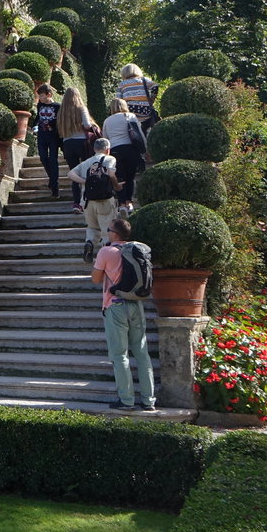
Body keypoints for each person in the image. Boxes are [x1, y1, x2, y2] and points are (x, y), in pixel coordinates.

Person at [91, 219, 156, 412]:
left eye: (109, 230)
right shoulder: (137, 250)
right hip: (136, 304)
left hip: (115, 304)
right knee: (142, 353)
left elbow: (95, 279)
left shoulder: (106, 251)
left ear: (114, 234)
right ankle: (149, 400)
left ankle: (126, 400)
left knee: (120, 355)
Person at [68, 137, 121, 263]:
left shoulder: (87, 162)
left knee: (92, 227)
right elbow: (111, 173)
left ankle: (89, 243)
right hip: (105, 200)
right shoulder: (109, 159)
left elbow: (70, 174)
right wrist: (117, 185)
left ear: (94, 149)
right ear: (108, 150)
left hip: (87, 201)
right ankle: (107, 258)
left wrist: (85, 181)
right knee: (107, 229)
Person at [56, 87, 98, 213]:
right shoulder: (81, 108)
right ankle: (89, 200)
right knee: (87, 171)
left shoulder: (61, 112)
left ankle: (76, 203)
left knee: (74, 174)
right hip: (82, 143)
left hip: (67, 144)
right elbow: (87, 125)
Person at [101, 98, 144, 215]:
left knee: (120, 178)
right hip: (130, 149)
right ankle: (129, 202)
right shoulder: (130, 116)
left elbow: (105, 137)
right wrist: (145, 149)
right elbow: (138, 133)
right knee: (130, 178)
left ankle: (121, 204)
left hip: (115, 151)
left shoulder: (107, 120)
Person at [34, 84, 62, 198]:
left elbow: (59, 122)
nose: (40, 98)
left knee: (53, 159)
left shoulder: (57, 106)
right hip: (42, 135)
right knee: (43, 157)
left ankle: (55, 187)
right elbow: (38, 117)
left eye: (41, 96)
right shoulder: (40, 105)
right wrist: (34, 125)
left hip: (53, 136)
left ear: (49, 94)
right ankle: (52, 179)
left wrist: (50, 124)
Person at [117, 63, 160, 134]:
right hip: (145, 110)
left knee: (134, 132)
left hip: (129, 110)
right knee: (147, 130)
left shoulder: (122, 84)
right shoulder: (144, 80)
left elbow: (118, 99)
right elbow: (155, 86)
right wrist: (152, 99)